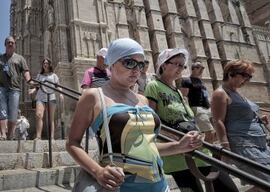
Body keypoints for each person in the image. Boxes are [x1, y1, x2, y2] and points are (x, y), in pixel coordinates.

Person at [66, 38, 204, 191]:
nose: (136, 70)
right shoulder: (93, 96)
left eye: (140, 64)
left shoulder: (142, 99)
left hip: (159, 185)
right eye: (129, 62)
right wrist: (98, 171)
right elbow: (73, 143)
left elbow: (147, 145)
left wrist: (179, 146)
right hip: (122, 185)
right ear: (112, 62)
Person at [144, 48, 238, 192]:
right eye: (177, 64)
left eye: (183, 66)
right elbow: (151, 119)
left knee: (227, 187)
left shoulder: (178, 92)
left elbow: (188, 118)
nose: (180, 69)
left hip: (198, 148)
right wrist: (176, 140)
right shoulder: (154, 86)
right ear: (163, 65)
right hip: (176, 154)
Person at [211, 59, 270, 191]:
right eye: (245, 76)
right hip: (244, 145)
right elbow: (218, 120)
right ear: (231, 73)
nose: (247, 80)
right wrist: (225, 148)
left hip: (259, 144)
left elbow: (239, 115)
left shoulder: (236, 92)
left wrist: (258, 118)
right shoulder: (220, 93)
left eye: (250, 77)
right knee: (266, 183)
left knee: (264, 183)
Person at [0, 36, 31, 140]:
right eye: (8, 42)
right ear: (5, 44)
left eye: (12, 42)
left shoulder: (20, 58)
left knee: (13, 113)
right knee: (1, 111)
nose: (10, 44)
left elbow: (25, 71)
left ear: (15, 45)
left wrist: (29, 81)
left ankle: (10, 135)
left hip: (14, 88)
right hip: (0, 87)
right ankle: (3, 134)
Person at [180, 61, 215, 143]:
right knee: (209, 132)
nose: (202, 69)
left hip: (207, 109)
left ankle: (208, 150)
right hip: (197, 108)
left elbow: (205, 95)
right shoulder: (187, 81)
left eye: (203, 68)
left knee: (213, 132)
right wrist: (187, 112)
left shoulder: (201, 82)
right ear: (193, 69)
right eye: (199, 67)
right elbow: (183, 97)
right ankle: (208, 152)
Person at [31, 58, 61, 140]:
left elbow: (58, 86)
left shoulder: (54, 75)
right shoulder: (39, 76)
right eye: (44, 63)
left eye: (47, 63)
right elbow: (37, 86)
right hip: (40, 96)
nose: (45, 64)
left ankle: (52, 137)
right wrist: (33, 90)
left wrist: (61, 94)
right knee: (39, 115)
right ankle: (38, 136)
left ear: (49, 64)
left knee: (51, 118)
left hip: (51, 97)